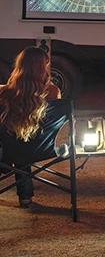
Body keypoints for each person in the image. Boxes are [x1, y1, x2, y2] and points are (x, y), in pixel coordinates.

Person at [0, 45, 61, 208]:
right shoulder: (54, 92)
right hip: (42, 149)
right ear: (44, 67)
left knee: (15, 141)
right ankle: (25, 196)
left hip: (8, 150)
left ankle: (23, 193)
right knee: (24, 145)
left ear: (20, 67)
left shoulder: (4, 93)